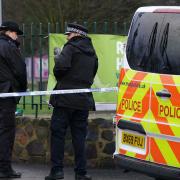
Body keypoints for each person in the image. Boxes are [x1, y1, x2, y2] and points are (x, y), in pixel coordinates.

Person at [45, 23, 98, 180]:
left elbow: (60, 68)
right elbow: (93, 72)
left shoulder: (70, 48)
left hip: (65, 99)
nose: (67, 37)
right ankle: (81, 173)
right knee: (79, 137)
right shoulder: (92, 52)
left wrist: (59, 71)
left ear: (75, 34)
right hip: (83, 99)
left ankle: (57, 171)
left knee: (58, 134)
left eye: (68, 34)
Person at [0, 21, 27, 178]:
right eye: (16, 34)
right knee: (6, 132)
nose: (17, 37)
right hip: (7, 94)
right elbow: (20, 70)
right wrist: (21, 90)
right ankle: (4, 169)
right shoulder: (9, 47)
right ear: (10, 32)